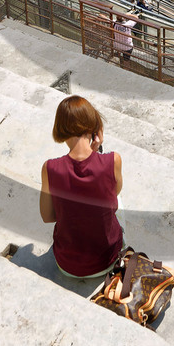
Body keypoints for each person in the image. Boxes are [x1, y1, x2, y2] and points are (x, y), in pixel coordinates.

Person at [39, 96, 125, 281]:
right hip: (106, 260)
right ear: (94, 128)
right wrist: (96, 153)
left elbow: (47, 217)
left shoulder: (50, 168)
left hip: (66, 264)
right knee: (119, 204)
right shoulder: (113, 161)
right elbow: (112, 197)